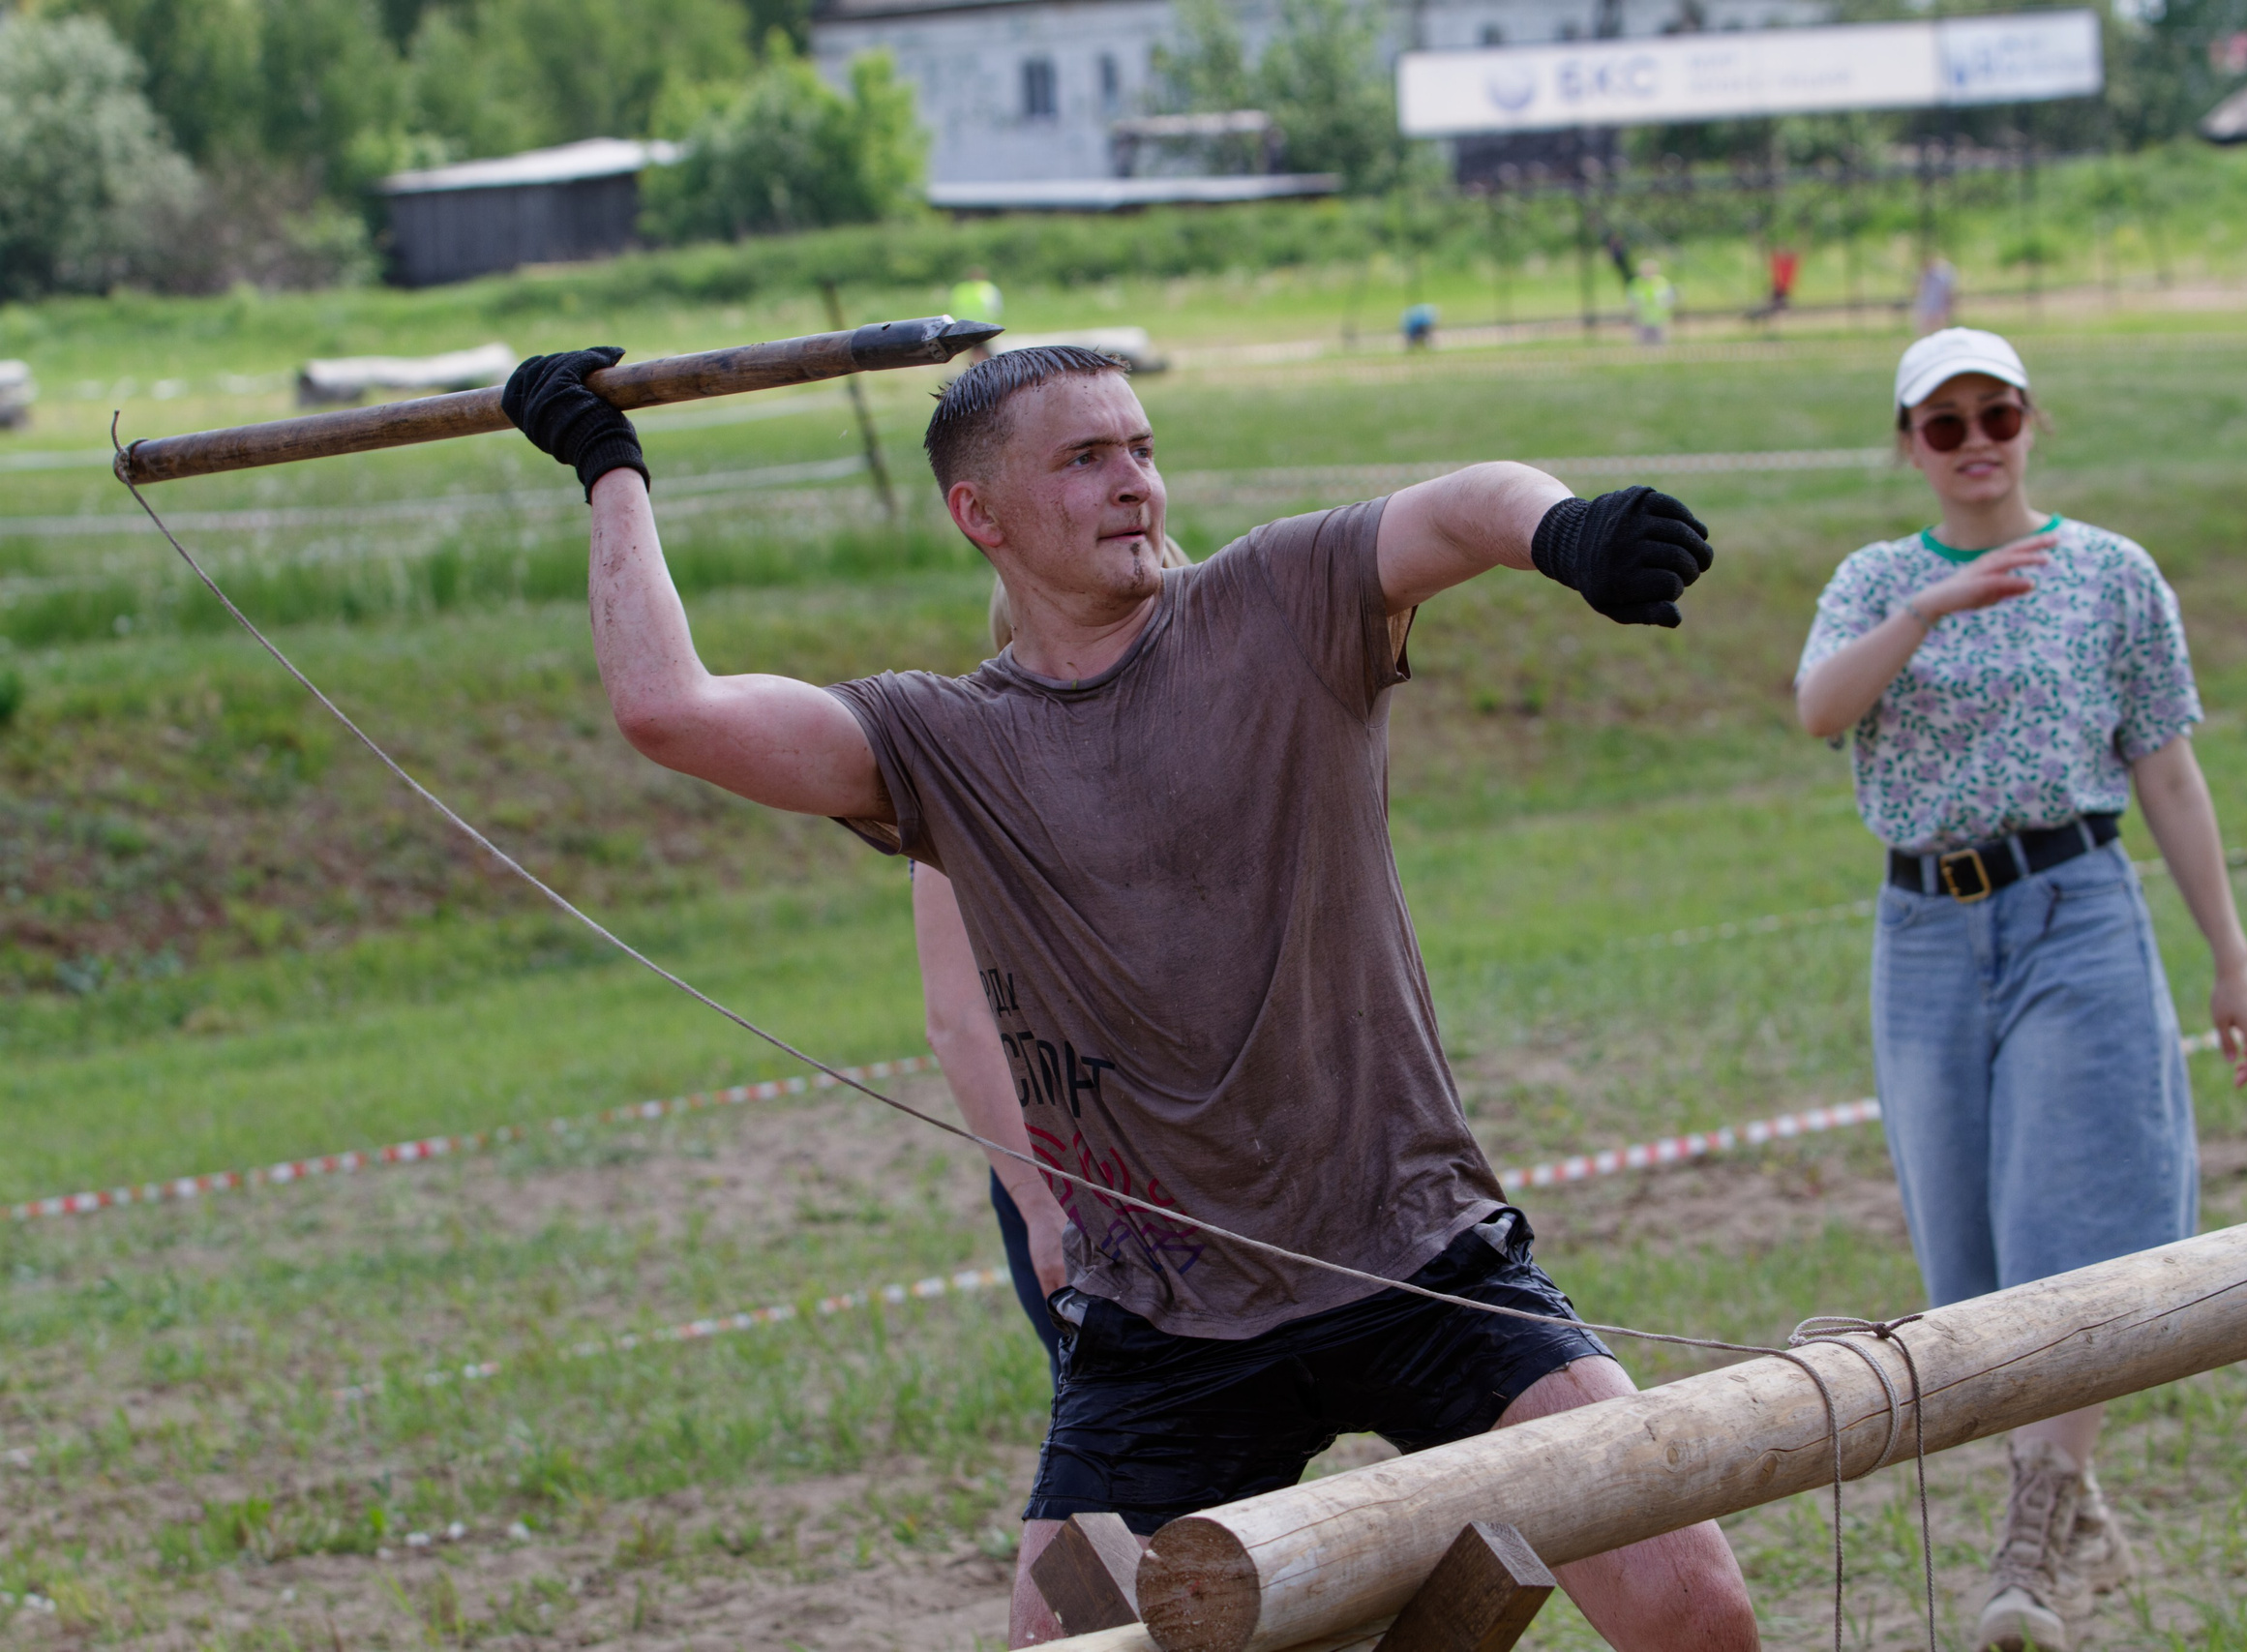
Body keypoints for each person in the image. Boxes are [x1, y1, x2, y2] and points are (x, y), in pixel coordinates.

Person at [497, 342, 1753, 1649]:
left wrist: (1563, 531)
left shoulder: (1279, 597)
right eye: (1086, 457)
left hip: (1417, 1251)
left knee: (1695, 1611)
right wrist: (611, 469)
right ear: (977, 513)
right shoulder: (941, 741)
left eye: (1143, 447)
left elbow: (1457, 504)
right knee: (1060, 1641)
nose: (1134, 481)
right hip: (1165, 1317)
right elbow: (669, 709)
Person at [1793, 327, 2247, 1652]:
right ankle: (2068, 1489)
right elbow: (1820, 709)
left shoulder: (2113, 573)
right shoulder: (1876, 577)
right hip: (1927, 933)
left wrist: (2231, 958)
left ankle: (2029, 1548)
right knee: (1973, 1265)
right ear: (1909, 446)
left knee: (2080, 1216)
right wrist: (1925, 612)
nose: (1974, 441)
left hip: (2076, 907)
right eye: (1941, 424)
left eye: (1994, 412)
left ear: (2030, 419)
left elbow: (2168, 769)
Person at [911, 538, 1194, 1381]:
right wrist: (1043, 1205)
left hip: (1234, 1151)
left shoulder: (1209, 766)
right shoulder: (972, 796)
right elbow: (962, 1021)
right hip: (1084, 1172)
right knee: (1152, 1457)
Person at [949, 269, 1004, 361]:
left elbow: (954, 305)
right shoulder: (987, 288)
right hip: (983, 325)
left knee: (972, 348)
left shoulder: (961, 288)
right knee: (982, 348)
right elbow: (995, 307)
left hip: (965, 325)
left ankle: (975, 366)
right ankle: (989, 365)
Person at [1628, 256, 1677, 345]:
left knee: (1659, 344)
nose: (1648, 272)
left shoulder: (1662, 282)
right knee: (1643, 345)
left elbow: (1670, 298)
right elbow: (1631, 299)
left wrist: (1664, 305)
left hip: (1659, 318)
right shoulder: (1636, 283)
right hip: (1642, 318)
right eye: (1646, 269)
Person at [1913, 255, 1958, 335]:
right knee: (1926, 333)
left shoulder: (1943, 276)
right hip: (1927, 309)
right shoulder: (1926, 276)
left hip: (1938, 309)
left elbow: (1948, 294)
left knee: (1940, 332)